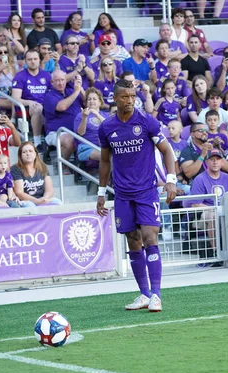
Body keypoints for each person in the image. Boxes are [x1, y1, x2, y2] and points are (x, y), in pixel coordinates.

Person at [97, 79, 177, 312]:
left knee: (150, 238)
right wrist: (102, 193)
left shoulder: (146, 121)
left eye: (133, 96)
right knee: (133, 241)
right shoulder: (107, 127)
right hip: (122, 194)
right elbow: (104, 160)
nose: (130, 100)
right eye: (125, 96)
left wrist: (171, 181)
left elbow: (167, 150)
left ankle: (157, 295)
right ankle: (143, 294)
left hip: (146, 191)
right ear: (115, 98)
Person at [185, 148, 228, 263]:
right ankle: (217, 253)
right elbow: (196, 204)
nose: (215, 162)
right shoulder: (200, 179)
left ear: (222, 162)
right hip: (206, 212)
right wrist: (214, 209)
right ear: (206, 162)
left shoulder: (227, 178)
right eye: (212, 159)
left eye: (218, 159)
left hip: (225, 210)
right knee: (213, 216)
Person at [11, 49, 50, 149]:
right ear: (25, 61)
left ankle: (51, 142)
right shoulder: (20, 76)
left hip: (45, 105)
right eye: (30, 59)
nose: (33, 61)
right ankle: (37, 142)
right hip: (27, 107)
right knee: (38, 109)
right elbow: (15, 99)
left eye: (35, 59)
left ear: (39, 60)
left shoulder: (46, 75)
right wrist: (30, 102)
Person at [43, 70, 83, 167]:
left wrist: (80, 88)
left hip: (77, 130)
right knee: (70, 140)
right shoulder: (49, 96)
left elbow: (87, 102)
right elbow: (62, 107)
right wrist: (77, 91)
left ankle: (89, 167)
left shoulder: (71, 91)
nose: (60, 83)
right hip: (56, 132)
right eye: (57, 80)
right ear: (52, 82)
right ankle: (62, 165)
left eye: (62, 80)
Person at [11, 141, 61, 207]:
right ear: (20, 155)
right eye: (24, 152)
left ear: (36, 154)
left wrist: (44, 199)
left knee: (58, 202)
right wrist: (37, 201)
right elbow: (19, 193)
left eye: (30, 151)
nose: (28, 154)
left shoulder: (42, 167)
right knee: (31, 206)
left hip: (41, 198)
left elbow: (49, 190)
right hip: (25, 201)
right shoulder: (15, 169)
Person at [74, 88, 107, 162]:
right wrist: (84, 117)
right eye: (89, 99)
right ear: (86, 102)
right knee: (106, 156)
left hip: (105, 146)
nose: (91, 101)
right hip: (87, 147)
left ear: (100, 102)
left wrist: (97, 115)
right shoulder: (80, 116)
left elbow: (110, 127)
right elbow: (80, 133)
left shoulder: (106, 115)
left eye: (94, 99)